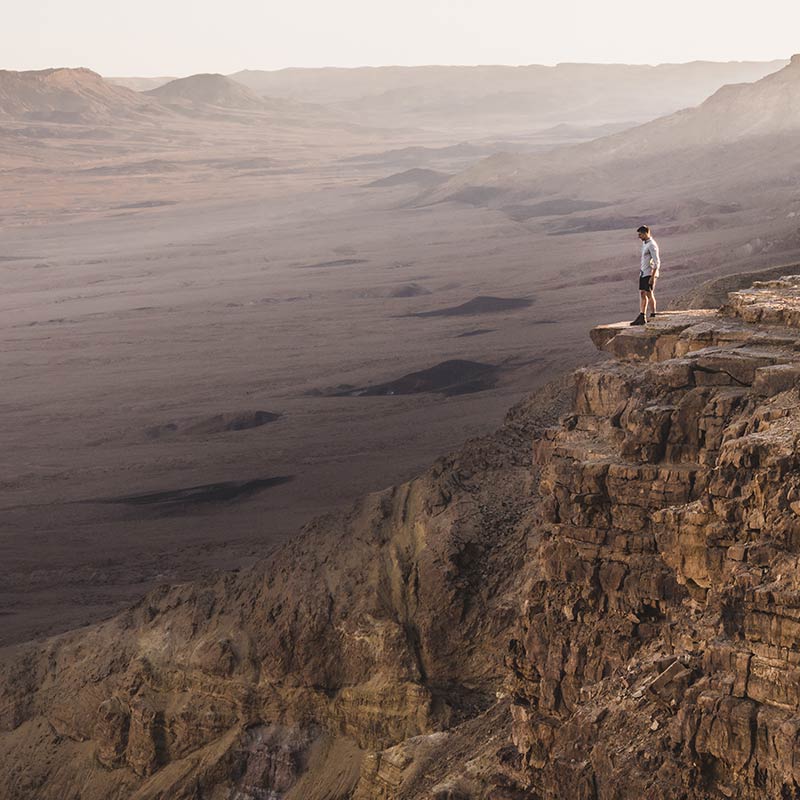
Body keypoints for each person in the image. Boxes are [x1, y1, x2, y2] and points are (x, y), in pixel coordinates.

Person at [630, 225, 660, 325]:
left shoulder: (652, 245)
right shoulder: (645, 244)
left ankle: (652, 314)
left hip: (649, 273)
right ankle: (642, 315)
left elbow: (657, 262)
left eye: (640, 234)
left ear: (646, 233)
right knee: (643, 293)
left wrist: (652, 276)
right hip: (643, 272)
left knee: (648, 293)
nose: (639, 236)